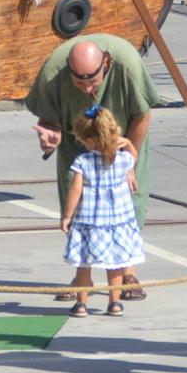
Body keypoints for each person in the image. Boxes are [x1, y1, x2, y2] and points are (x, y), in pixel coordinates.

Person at [25, 36, 161, 298]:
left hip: (123, 139)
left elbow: (143, 115)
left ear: (106, 64)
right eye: (79, 82)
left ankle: (128, 273)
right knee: (75, 201)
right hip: (77, 141)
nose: (87, 89)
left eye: (92, 81)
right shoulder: (53, 73)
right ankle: (81, 278)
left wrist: (128, 161)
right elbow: (48, 118)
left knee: (127, 204)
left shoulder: (127, 64)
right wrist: (49, 136)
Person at [58, 106, 145, 317]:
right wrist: (130, 143)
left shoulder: (83, 162)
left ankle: (81, 304)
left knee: (83, 264)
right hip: (118, 222)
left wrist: (67, 215)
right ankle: (114, 303)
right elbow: (134, 156)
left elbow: (75, 190)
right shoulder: (123, 159)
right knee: (115, 264)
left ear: (89, 140)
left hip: (89, 222)